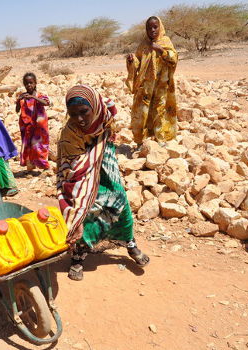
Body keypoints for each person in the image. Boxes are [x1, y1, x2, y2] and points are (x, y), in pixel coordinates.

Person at [57, 85, 150, 281]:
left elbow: (110, 124)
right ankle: (78, 255)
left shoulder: (103, 113)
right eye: (73, 114)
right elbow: (73, 172)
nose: (79, 119)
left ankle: (129, 243)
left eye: (84, 112)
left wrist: (102, 148)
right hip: (81, 175)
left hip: (106, 163)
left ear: (95, 107)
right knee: (87, 207)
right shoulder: (69, 135)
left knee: (119, 198)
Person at [126, 16, 178, 146]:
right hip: (146, 85)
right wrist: (132, 61)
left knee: (160, 110)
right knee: (142, 111)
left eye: (155, 27)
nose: (152, 30)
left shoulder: (165, 41)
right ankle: (140, 140)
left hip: (161, 84)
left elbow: (174, 58)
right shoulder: (144, 44)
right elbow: (138, 61)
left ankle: (161, 139)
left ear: (160, 27)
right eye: (149, 28)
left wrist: (160, 50)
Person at [15, 72, 51, 172]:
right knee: (28, 145)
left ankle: (44, 166)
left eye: (31, 83)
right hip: (27, 126)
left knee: (40, 145)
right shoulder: (23, 96)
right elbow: (17, 110)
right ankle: (30, 166)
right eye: (26, 83)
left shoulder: (40, 95)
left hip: (40, 126)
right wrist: (18, 101)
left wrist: (34, 98)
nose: (29, 85)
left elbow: (46, 103)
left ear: (35, 83)